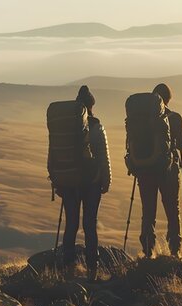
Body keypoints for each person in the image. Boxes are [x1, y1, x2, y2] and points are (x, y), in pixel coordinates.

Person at [57, 85, 111, 280]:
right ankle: (92, 268)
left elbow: (55, 155)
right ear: (91, 105)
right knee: (90, 224)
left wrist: (58, 181)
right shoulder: (96, 126)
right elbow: (104, 157)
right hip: (92, 182)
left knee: (71, 224)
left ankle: (67, 267)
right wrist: (107, 180)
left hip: (69, 182)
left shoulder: (64, 127)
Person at [133, 83, 182, 258]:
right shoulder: (175, 118)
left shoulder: (139, 120)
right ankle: (175, 251)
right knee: (173, 210)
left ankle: (148, 251)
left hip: (145, 170)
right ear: (168, 99)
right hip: (168, 171)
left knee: (148, 211)